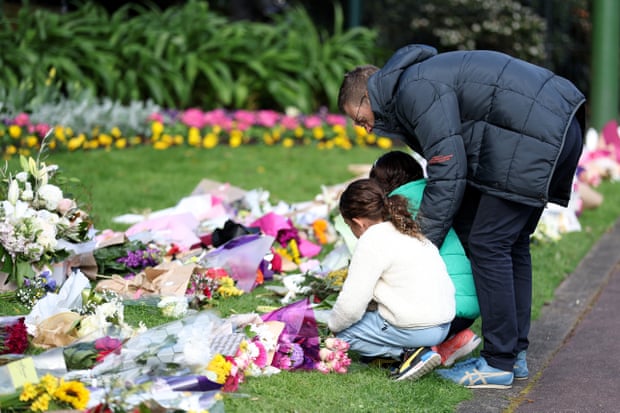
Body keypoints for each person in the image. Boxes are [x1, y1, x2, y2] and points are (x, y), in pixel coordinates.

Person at [338, 44, 585, 389]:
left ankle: (498, 363)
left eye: (357, 116)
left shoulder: (413, 89)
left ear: (366, 96)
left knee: (489, 242)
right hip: (558, 124)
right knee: (510, 244)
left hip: (535, 133)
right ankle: (513, 355)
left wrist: (418, 244)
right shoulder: (416, 81)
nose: (362, 127)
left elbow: (447, 168)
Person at [327, 178, 456, 382]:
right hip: (444, 323)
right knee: (364, 323)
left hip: (417, 326)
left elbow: (351, 306)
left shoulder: (372, 239)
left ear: (358, 223)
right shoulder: (408, 230)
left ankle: (407, 355)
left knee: (341, 337)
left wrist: (332, 327)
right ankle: (428, 348)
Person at [369, 150, 480, 367]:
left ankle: (422, 349)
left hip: (445, 308)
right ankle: (451, 341)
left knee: (375, 338)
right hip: (469, 302)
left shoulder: (396, 208)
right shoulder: (432, 197)